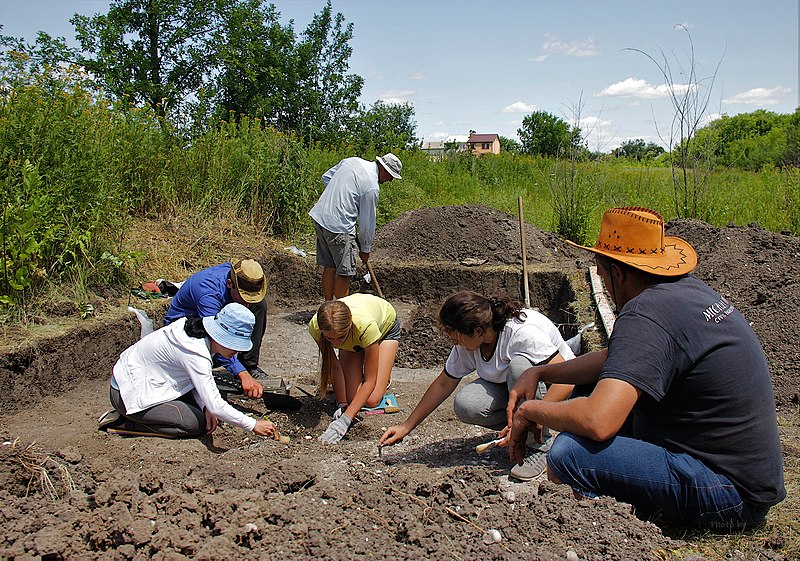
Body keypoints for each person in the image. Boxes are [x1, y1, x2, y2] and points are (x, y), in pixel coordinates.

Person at [506, 206, 786, 529]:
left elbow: (598, 421)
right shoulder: (682, 292)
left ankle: (615, 528)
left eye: (600, 272)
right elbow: (617, 359)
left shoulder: (645, 312)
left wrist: (531, 411)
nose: (602, 281)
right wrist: (540, 372)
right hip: (748, 481)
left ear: (618, 274)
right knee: (589, 391)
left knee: (568, 454)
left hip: (728, 495)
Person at [379, 291, 575, 480]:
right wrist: (406, 426)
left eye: (456, 337)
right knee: (467, 404)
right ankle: (519, 432)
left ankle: (538, 444)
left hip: (552, 389)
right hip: (512, 389)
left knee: (519, 367)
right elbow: (443, 383)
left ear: (478, 331)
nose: (454, 343)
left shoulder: (521, 333)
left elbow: (567, 380)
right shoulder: (468, 343)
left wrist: (533, 414)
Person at [98, 303, 275, 439]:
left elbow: (193, 381)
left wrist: (205, 405)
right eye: (235, 345)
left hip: (139, 380)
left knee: (204, 410)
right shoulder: (195, 352)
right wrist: (253, 424)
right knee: (194, 424)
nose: (236, 352)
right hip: (127, 393)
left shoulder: (194, 331)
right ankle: (127, 423)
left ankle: (136, 416)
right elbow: (216, 405)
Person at [163, 259, 268, 398]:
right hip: (188, 329)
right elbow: (216, 337)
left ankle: (249, 364)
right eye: (243, 298)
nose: (247, 303)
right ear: (229, 284)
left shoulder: (240, 274)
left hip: (212, 319)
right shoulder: (208, 293)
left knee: (259, 304)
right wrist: (241, 374)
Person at [308, 293, 401, 443]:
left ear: (349, 327)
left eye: (340, 337)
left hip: (384, 329)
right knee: (352, 399)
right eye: (330, 339)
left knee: (372, 400)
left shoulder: (366, 327)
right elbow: (334, 366)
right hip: (353, 341)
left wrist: (345, 420)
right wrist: (343, 404)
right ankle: (360, 355)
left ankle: (383, 375)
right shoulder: (316, 327)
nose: (336, 343)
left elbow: (370, 380)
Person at [309, 153, 402, 300]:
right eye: (391, 177)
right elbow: (367, 223)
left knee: (330, 266)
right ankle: (339, 317)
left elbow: (326, 177)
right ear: (385, 170)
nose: (390, 181)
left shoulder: (351, 161)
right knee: (345, 272)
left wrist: (341, 196)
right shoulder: (372, 187)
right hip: (339, 226)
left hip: (320, 217)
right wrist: (365, 249)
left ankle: (327, 307)